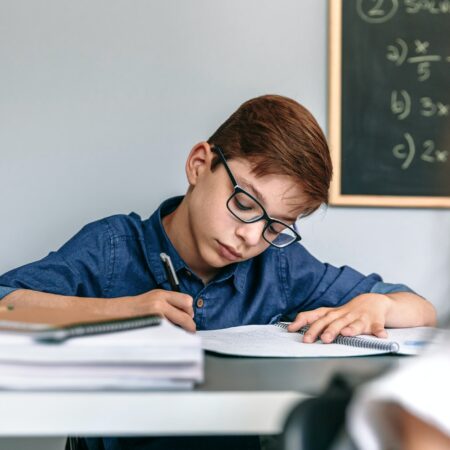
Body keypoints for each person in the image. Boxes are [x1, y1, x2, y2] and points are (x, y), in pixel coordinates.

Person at [0, 95, 436, 450]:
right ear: (198, 164)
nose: (249, 235)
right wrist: (122, 311)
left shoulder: (278, 266)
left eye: (276, 226)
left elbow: (420, 309)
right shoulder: (114, 247)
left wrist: (373, 304)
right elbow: (7, 301)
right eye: (245, 204)